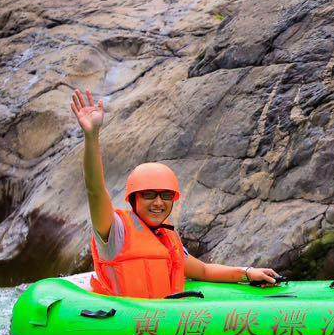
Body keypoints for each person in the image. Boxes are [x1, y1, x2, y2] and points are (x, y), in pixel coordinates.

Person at [70, 89, 280, 297]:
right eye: (149, 195)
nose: (158, 203)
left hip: (162, 325)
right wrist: (92, 136)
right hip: (124, 325)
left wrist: (247, 272)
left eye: (166, 196)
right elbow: (95, 189)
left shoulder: (168, 239)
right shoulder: (115, 231)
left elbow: (205, 271)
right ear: (134, 199)